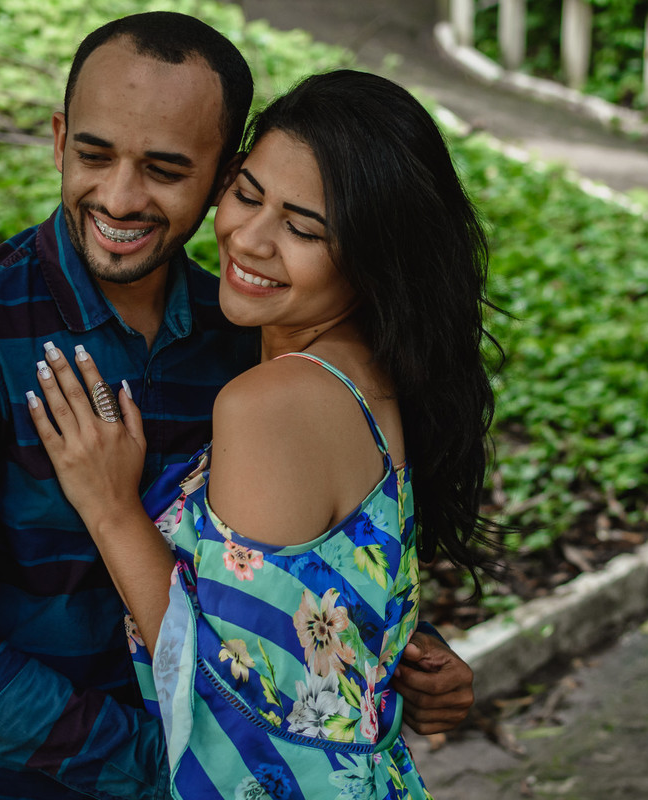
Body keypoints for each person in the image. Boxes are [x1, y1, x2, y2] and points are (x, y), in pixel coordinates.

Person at [0, 14, 473, 800]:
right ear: (58, 140)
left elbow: (271, 578)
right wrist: (177, 757)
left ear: (223, 173)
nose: (119, 196)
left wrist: (404, 653)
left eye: (164, 169)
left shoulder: (245, 337)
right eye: (93, 154)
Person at [25, 67, 501, 800]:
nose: (249, 239)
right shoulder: (367, 371)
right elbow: (320, 616)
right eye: (246, 194)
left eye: (303, 227)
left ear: (376, 258)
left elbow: (230, 706)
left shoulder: (273, 401)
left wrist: (112, 508)